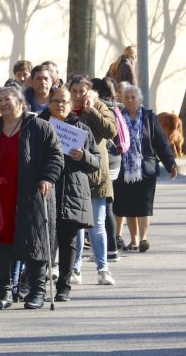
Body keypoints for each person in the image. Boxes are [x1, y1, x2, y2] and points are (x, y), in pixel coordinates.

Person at [0, 86, 64, 310]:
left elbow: (55, 157)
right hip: (0, 197)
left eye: (7, 99)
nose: (3, 103)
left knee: (34, 241)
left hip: (32, 194)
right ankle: (4, 291)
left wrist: (47, 178)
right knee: (0, 244)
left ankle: (36, 291)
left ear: (20, 103)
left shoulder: (39, 127)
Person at [38, 87, 100, 302]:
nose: (60, 105)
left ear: (70, 103)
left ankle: (64, 285)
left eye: (64, 101)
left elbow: (97, 162)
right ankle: (37, 285)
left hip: (72, 192)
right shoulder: (39, 126)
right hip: (46, 189)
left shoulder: (81, 128)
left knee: (68, 242)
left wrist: (83, 156)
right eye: (55, 101)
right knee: (44, 240)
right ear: (49, 103)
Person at [113, 85, 177, 252]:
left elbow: (161, 143)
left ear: (140, 100)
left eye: (134, 97)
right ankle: (133, 240)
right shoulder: (117, 118)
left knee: (144, 205)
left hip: (145, 168)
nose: (130, 100)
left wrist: (171, 164)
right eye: (127, 97)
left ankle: (143, 239)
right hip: (124, 168)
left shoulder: (149, 118)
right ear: (122, 100)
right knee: (128, 205)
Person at [68, 75, 117, 286]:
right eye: (75, 91)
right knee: (77, 226)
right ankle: (75, 269)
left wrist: (91, 112)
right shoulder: (66, 109)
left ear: (89, 91)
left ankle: (103, 269)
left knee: (97, 225)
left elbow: (110, 130)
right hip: (75, 177)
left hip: (97, 177)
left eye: (82, 90)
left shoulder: (98, 106)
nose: (78, 95)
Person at [92, 77, 123, 261]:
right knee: (106, 208)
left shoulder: (102, 108)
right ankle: (110, 249)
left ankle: (110, 249)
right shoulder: (114, 105)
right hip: (113, 160)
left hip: (106, 161)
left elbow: (110, 131)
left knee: (105, 207)